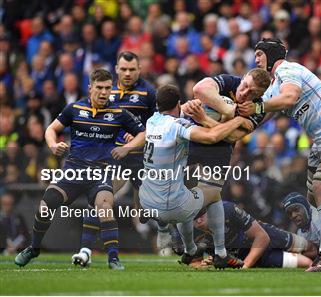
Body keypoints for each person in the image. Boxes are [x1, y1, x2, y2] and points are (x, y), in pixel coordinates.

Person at [238, 37, 321, 272]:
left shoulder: (289, 69)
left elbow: (289, 98)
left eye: (260, 54)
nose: (255, 59)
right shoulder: (274, 85)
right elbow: (260, 117)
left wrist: (257, 108)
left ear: (272, 55)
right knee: (314, 197)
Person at [15, 69, 146, 270]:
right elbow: (51, 129)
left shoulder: (119, 113)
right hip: (74, 170)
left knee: (104, 206)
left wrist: (127, 148)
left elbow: (143, 134)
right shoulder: (74, 108)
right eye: (99, 88)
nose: (104, 93)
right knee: (45, 205)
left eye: (108, 88)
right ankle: (33, 248)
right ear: (90, 88)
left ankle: (113, 258)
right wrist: (52, 145)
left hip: (100, 173)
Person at [157, 68, 271, 260]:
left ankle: (218, 252)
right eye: (245, 86)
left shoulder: (257, 109)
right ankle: (185, 245)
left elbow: (233, 136)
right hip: (191, 138)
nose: (244, 93)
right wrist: (228, 111)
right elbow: (199, 88)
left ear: (260, 95)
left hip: (219, 149)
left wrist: (205, 118)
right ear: (243, 78)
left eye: (252, 93)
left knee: (211, 198)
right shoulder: (229, 82)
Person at [138, 84, 253, 269]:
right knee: (213, 194)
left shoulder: (152, 120)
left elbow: (176, 109)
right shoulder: (178, 125)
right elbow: (212, 136)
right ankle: (221, 253)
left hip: (147, 201)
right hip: (170, 206)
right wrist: (237, 120)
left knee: (185, 193)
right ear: (178, 102)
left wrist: (200, 101)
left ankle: (189, 249)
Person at [72, 51, 157, 265]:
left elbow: (159, 124)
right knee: (99, 201)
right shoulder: (105, 90)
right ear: (117, 69)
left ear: (140, 70)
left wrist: (140, 134)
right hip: (114, 157)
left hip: (142, 158)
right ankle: (85, 251)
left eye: (132, 69)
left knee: (152, 211)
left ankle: (168, 236)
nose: (127, 73)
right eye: (124, 69)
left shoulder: (149, 93)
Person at [192, 201, 315, 269]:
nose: (199, 220)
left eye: (201, 215)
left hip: (265, 236)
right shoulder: (190, 233)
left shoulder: (227, 210)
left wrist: (245, 265)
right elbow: (195, 262)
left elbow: (262, 237)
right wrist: (208, 261)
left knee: (309, 248)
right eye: (195, 217)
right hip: (249, 253)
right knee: (305, 262)